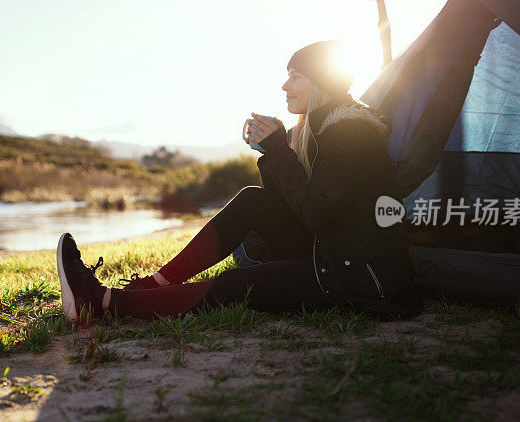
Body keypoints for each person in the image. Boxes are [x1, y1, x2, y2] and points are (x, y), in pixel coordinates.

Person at [56, 40, 421, 322]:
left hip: (359, 276)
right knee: (252, 200)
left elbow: (315, 213)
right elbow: (284, 204)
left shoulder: (351, 132)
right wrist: (275, 151)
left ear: (322, 82)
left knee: (230, 287)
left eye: (295, 76)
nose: (284, 85)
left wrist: (279, 150)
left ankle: (103, 303)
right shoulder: (320, 128)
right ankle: (155, 285)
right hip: (332, 251)